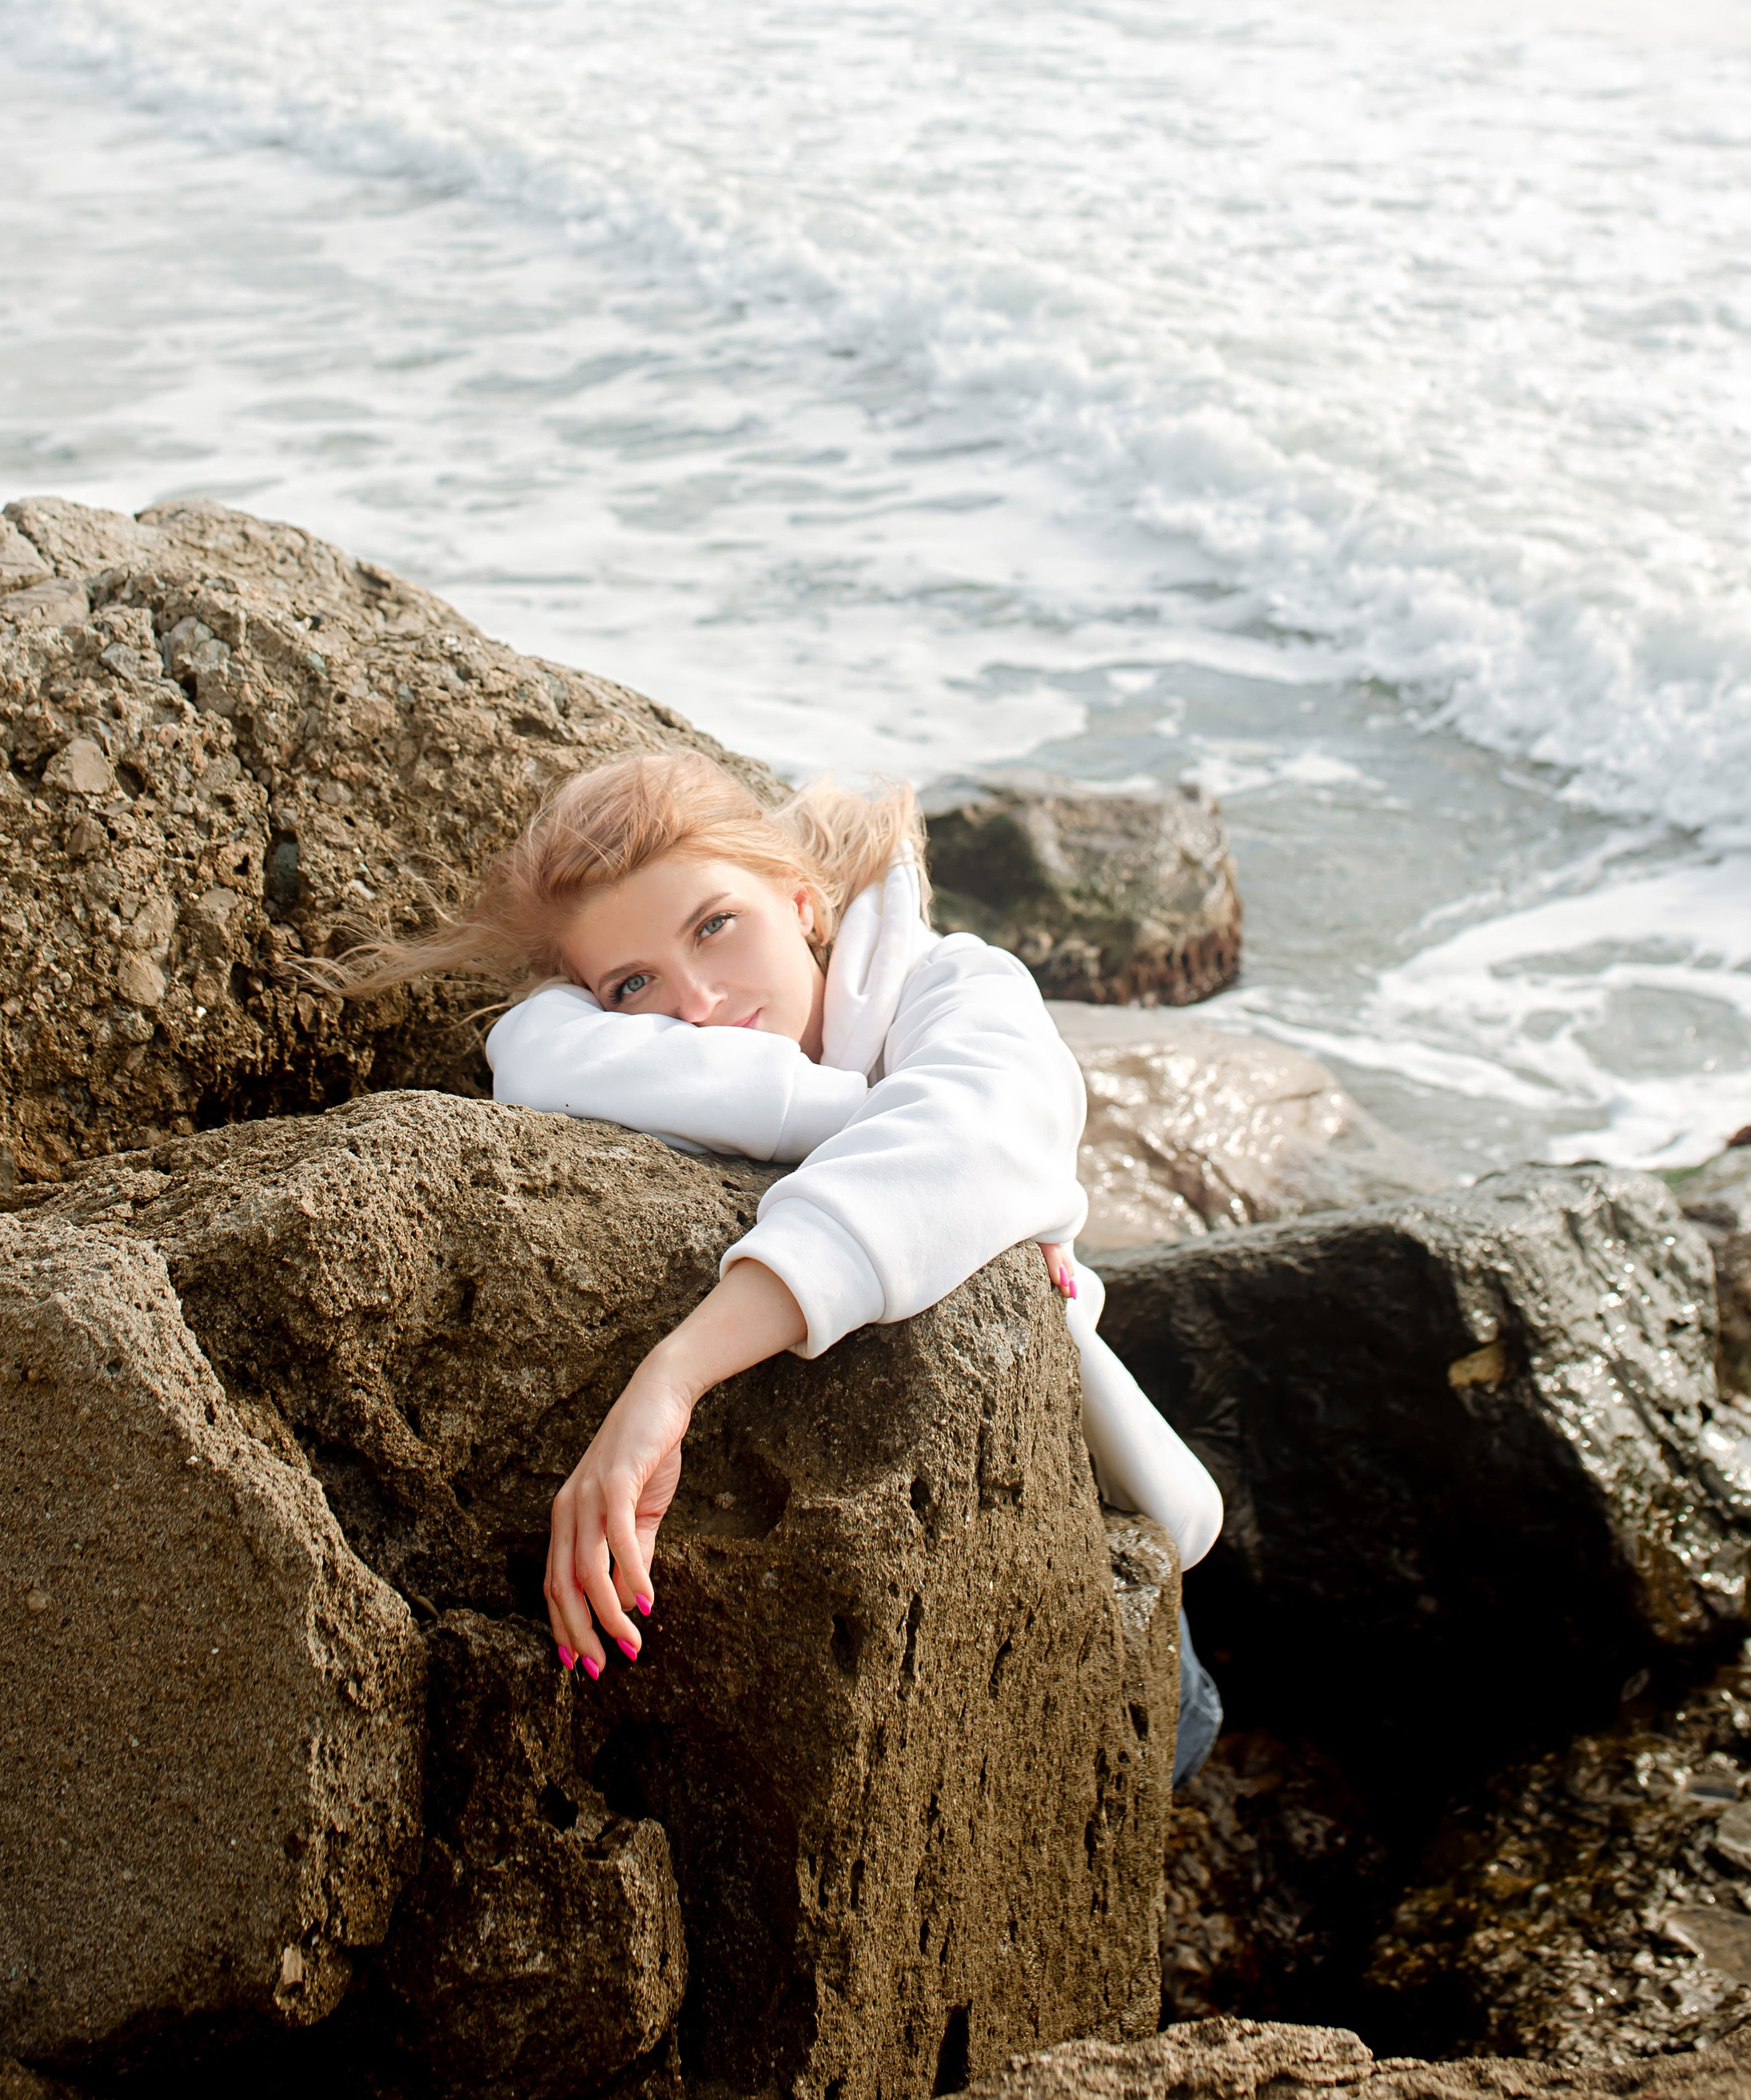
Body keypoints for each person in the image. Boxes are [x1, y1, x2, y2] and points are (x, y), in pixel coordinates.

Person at [355, 750, 1224, 1783]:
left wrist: (671, 1378)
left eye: (716, 926)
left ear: (803, 900)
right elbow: (536, 1049)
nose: (700, 1002)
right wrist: (860, 1120)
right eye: (633, 984)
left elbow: (968, 1140)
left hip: (1098, 1557)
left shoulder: (959, 984)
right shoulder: (623, 1028)